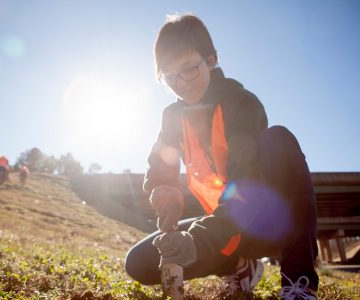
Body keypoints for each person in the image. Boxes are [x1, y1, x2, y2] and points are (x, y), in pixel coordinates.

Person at [125, 13, 319, 299]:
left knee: (279, 140)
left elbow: (246, 189)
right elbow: (160, 162)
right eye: (170, 77)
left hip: (261, 223)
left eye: (189, 69)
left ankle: (298, 282)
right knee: (139, 262)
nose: (181, 83)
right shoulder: (172, 117)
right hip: (221, 229)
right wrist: (163, 189)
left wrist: (198, 241)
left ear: (212, 59)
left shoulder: (242, 104)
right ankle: (241, 267)